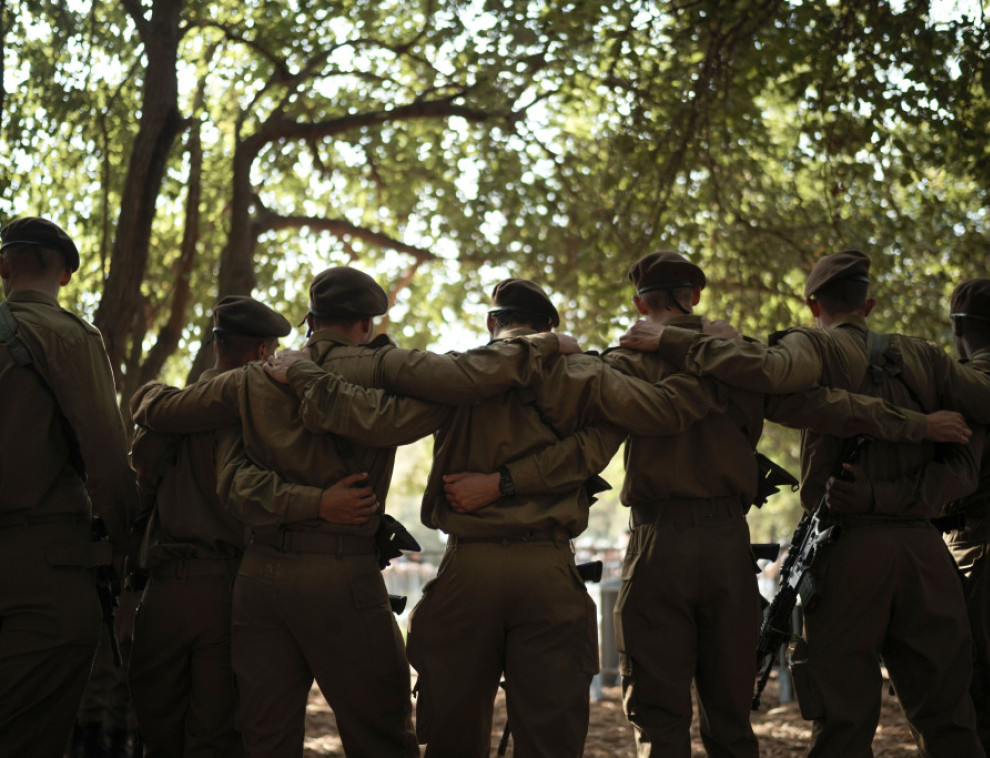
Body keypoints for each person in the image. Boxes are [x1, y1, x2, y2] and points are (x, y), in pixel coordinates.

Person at [269, 275, 963, 758]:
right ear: (551, 330)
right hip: (549, 568)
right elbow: (672, 412)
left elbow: (367, 411)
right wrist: (696, 351)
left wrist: (304, 369)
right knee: (553, 733)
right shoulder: (593, 376)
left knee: (452, 731)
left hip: (468, 568)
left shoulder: (457, 376)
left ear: (494, 327)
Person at [129, 266, 599, 758]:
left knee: (264, 739)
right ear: (366, 326)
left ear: (310, 320)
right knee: (380, 734)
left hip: (261, 578)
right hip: (342, 575)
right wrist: (542, 345)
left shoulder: (254, 378)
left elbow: (170, 419)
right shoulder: (384, 368)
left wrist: (151, 395)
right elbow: (467, 379)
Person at [618, 249, 990, 757]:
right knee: (949, 719)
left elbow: (782, 381)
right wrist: (918, 434)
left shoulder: (804, 347)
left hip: (844, 549)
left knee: (840, 721)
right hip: (924, 551)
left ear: (813, 305)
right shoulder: (928, 357)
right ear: (869, 304)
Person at [127, 296, 293, 758]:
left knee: (156, 728)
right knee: (216, 733)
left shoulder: (168, 413)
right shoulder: (263, 415)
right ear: (263, 353)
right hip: (231, 588)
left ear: (216, 344)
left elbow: (141, 479)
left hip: (164, 590)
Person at [0, 217, 138, 757]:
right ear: (64, 276)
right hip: (44, 573)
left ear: (4, 267)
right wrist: (131, 558)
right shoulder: (68, 336)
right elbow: (106, 459)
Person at [939, 278, 990, 758]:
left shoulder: (964, 385)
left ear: (958, 327)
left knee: (985, 680)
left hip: (984, 537)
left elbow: (954, 478)